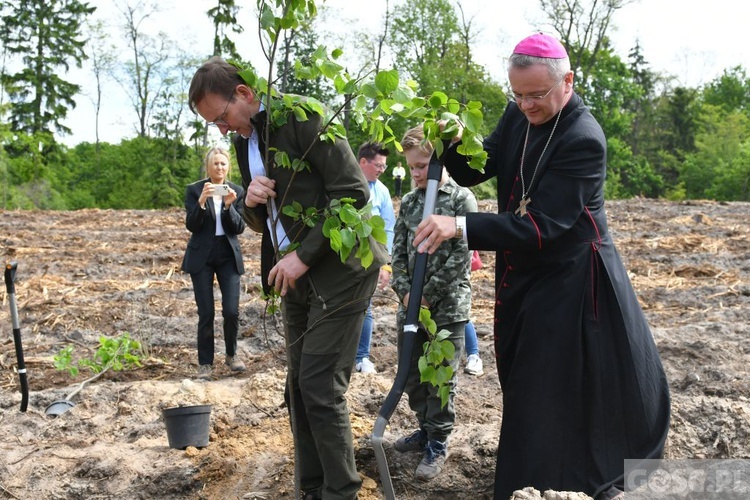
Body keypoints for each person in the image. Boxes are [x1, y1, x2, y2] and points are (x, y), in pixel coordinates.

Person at [411, 33, 670, 499]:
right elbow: (477, 166)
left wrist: (460, 224)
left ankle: (548, 483)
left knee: (549, 385)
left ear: (566, 81)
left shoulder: (583, 138)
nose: (526, 105)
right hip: (524, 271)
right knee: (523, 374)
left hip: (572, 277)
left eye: (536, 95)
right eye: (517, 94)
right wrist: (450, 140)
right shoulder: (518, 113)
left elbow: (540, 227)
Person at [188, 57, 387, 500]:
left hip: (341, 268)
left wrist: (304, 255)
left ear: (244, 93)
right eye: (213, 124)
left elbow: (354, 196)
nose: (221, 130)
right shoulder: (245, 139)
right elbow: (264, 220)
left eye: (221, 116)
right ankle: (311, 489)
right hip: (293, 274)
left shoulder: (303, 117)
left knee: (319, 384)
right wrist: (255, 203)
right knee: (297, 387)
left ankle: (342, 491)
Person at [390, 125, 477, 481]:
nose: (416, 174)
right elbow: (397, 252)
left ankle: (438, 441)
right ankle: (424, 429)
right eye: (411, 167)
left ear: (440, 161)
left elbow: (461, 257)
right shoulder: (410, 202)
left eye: (423, 165)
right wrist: (406, 292)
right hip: (410, 307)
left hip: (447, 308)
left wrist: (427, 295)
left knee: (440, 378)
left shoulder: (461, 200)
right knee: (412, 374)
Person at [181, 147, 247, 380]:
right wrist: (201, 202)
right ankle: (205, 364)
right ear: (208, 166)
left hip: (227, 255)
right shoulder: (195, 190)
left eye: (223, 164)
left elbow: (239, 228)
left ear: (228, 166)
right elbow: (192, 225)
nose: (219, 167)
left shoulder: (236, 191)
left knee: (231, 311)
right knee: (206, 312)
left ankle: (231, 354)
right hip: (202, 256)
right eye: (215, 164)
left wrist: (229, 206)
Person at [354, 141, 396, 374]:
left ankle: (362, 357)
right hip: (343, 257)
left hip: (370, 258)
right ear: (363, 162)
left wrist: (385, 263)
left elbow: (389, 228)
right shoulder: (345, 183)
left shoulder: (382, 191)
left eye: (384, 167)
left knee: (365, 307)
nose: (381, 170)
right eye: (378, 165)